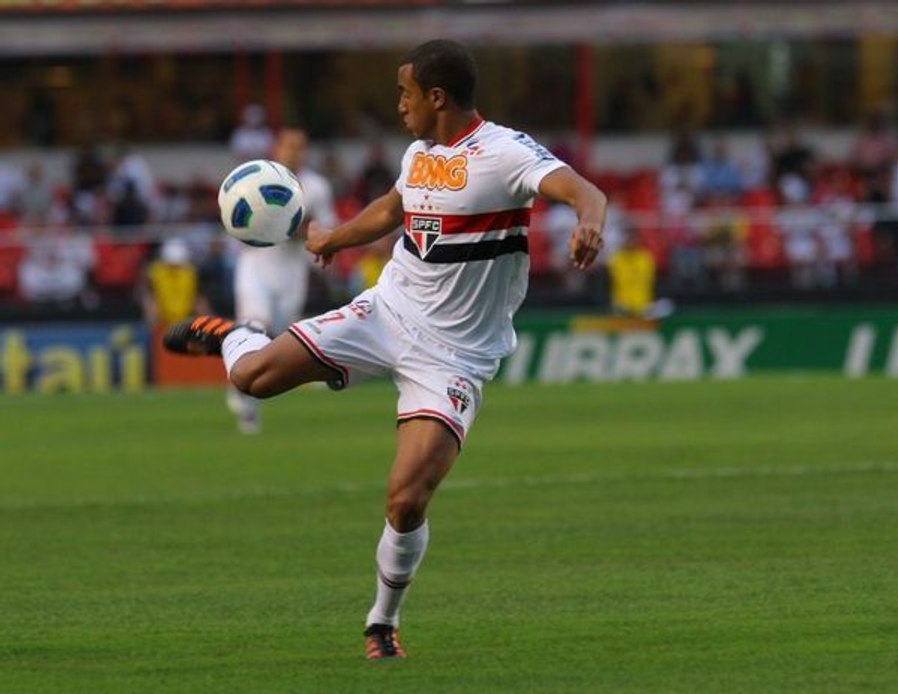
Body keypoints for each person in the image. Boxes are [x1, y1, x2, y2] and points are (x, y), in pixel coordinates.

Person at [162, 39, 606, 659]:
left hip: (453, 356)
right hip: (387, 311)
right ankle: (230, 335)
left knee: (406, 497)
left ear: (437, 97)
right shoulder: (419, 153)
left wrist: (589, 221)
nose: (397, 105)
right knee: (253, 377)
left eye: (404, 93)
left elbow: (584, 188)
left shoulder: (503, 152)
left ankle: (381, 621)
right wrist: (335, 238)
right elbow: (395, 207)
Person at [227, 127, 337, 434]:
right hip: (255, 267)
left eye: (300, 147)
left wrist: (294, 227)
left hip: (292, 272)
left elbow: (325, 228)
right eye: (289, 146)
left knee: (275, 339)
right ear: (277, 148)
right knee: (254, 326)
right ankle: (244, 401)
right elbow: (236, 217)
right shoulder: (258, 176)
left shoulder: (316, 186)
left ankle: (246, 388)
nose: (295, 152)